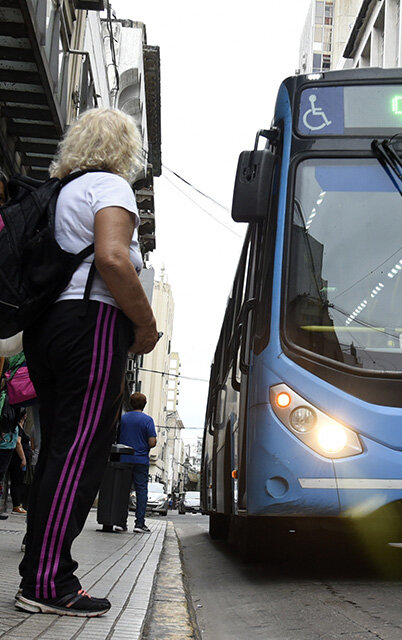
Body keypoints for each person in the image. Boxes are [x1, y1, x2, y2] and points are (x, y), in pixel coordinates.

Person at [16, 107, 160, 618]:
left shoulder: (60, 193)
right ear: (125, 149)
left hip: (48, 329)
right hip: (92, 324)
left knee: (58, 449)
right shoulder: (110, 188)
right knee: (79, 454)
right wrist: (144, 325)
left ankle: (39, 570)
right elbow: (114, 259)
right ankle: (49, 581)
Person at [116, 392, 156, 534]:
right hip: (140, 460)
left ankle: (120, 523)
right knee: (141, 492)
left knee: (123, 491)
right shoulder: (147, 420)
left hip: (124, 459)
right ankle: (139, 524)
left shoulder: (124, 419)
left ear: (131, 403)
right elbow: (152, 442)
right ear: (144, 405)